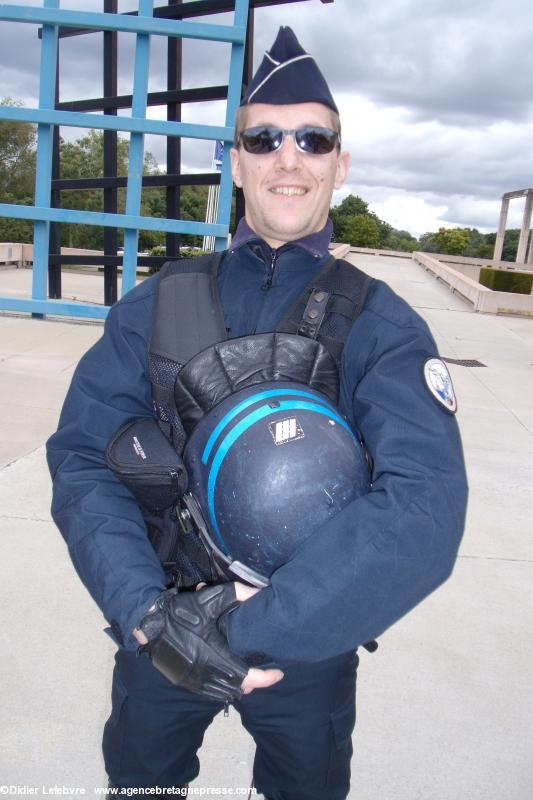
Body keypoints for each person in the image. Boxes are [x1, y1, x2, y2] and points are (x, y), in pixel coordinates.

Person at [47, 26, 468, 800]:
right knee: (141, 784)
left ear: (339, 163)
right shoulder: (154, 305)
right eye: (263, 137)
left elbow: (423, 510)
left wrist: (242, 627)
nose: (288, 157)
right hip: (160, 625)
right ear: (233, 158)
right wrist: (146, 613)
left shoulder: (383, 323)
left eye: (312, 138)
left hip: (307, 637)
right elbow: (81, 461)